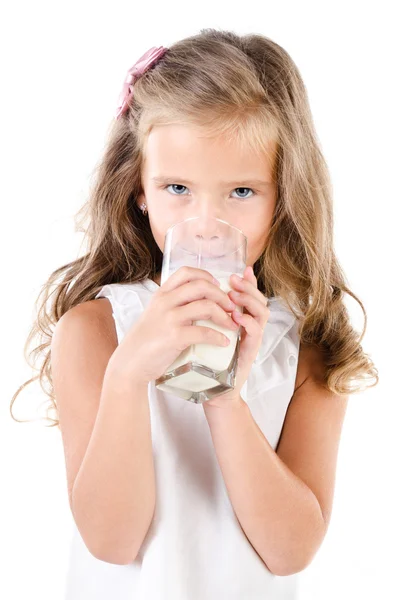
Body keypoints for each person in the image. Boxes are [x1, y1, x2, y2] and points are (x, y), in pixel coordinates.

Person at [11, 28, 379, 600]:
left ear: (284, 195)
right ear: (139, 188)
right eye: (178, 187)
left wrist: (224, 391)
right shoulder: (96, 332)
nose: (206, 223)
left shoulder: (308, 346)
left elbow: (289, 552)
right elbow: (112, 542)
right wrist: (129, 375)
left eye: (241, 192)